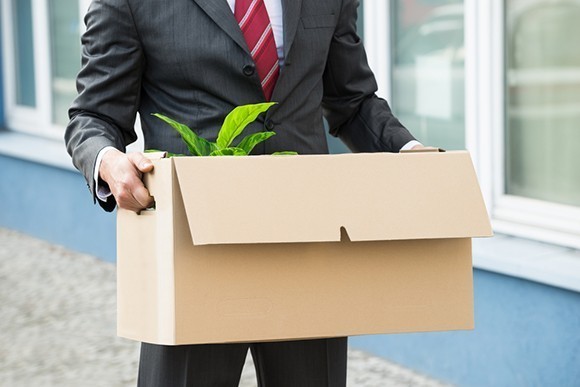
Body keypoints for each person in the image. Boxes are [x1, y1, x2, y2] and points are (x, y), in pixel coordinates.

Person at [65, 0, 423, 385]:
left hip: (308, 244)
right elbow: (94, 116)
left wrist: (409, 151)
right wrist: (106, 160)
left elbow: (352, 101)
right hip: (193, 247)